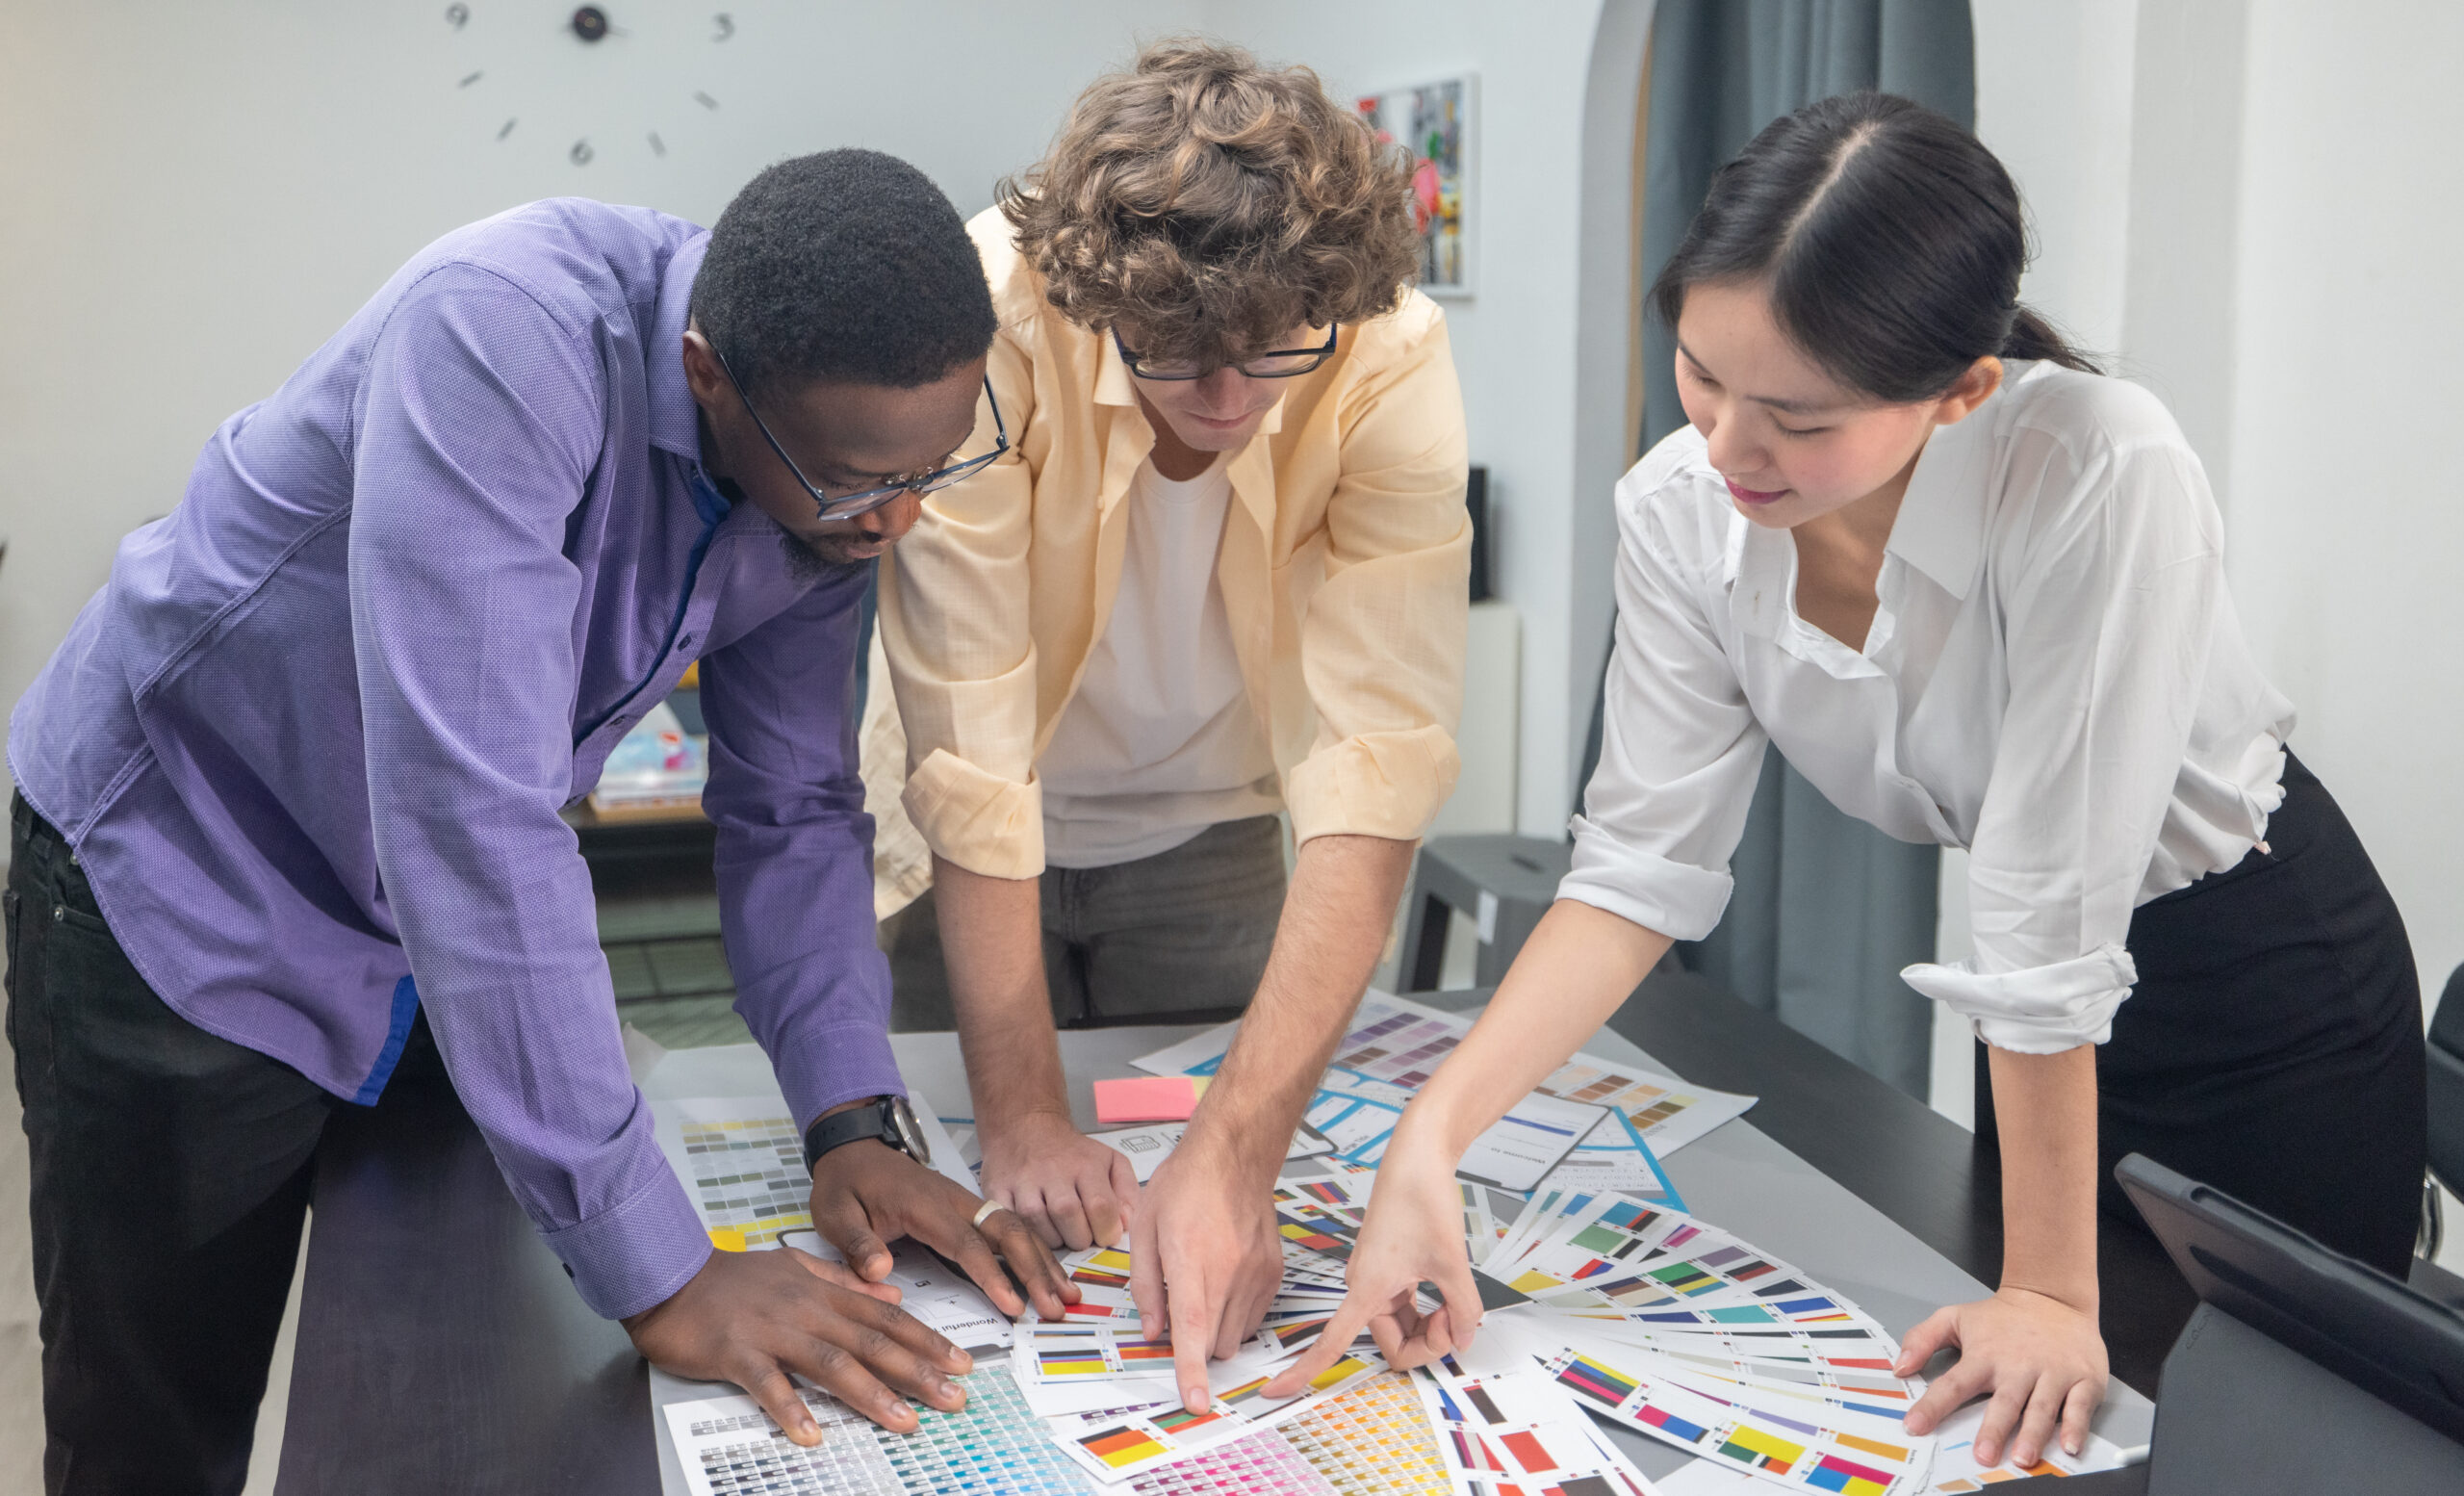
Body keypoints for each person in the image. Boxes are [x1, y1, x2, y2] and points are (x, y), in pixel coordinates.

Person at [1270, 91, 2426, 1475]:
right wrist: (1429, 1139)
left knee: (2274, 1438)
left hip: (2262, 984)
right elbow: (1636, 871)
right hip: (2042, 1032)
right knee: (2060, 1430)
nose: (1727, 447)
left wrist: (2048, 1291)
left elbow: (2047, 919)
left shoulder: (2097, 469)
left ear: (1962, 389)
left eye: (1798, 418)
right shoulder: (1685, 512)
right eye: (1703, 374)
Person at [4, 149, 1077, 1495]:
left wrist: (851, 1116)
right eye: (864, 481)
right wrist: (669, 1277)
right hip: (193, 876)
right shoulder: (500, 335)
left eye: (935, 467)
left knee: (454, 1368)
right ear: (709, 378)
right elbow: (475, 820)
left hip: (425, 936)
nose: (901, 518)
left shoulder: (833, 472)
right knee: (162, 1424)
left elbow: (795, 805)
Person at [876, 40, 1470, 1410]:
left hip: (1214, 831)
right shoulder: (987, 313)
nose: (1228, 401)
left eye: (1272, 355)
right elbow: (970, 746)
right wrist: (1025, 1115)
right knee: (972, 1207)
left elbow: (1380, 760)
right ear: (1099, 301)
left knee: (1215, 1181)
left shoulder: (1387, 343)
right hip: (966, 851)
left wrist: (1237, 1155)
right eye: (1180, 355)